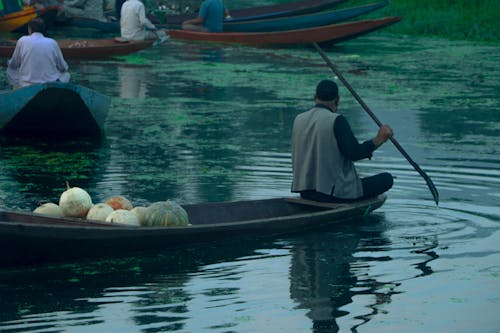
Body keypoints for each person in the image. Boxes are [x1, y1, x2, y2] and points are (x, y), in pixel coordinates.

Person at [291, 79, 394, 203]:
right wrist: (379, 139)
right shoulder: (336, 120)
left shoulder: (299, 119)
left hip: (306, 192)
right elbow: (355, 153)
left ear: (315, 97)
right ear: (337, 100)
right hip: (334, 194)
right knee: (387, 179)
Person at [6, 18, 70, 89]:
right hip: (50, 84)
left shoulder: (22, 40)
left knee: (10, 70)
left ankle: (17, 88)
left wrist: (9, 63)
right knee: (66, 74)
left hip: (26, 85)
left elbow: (13, 65)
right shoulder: (52, 42)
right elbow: (63, 68)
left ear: (29, 29)